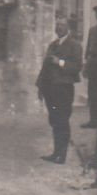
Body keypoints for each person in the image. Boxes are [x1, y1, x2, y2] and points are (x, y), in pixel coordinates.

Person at [35, 16, 82, 163]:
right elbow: (45, 68)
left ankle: (62, 154)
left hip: (63, 88)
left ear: (68, 28)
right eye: (57, 25)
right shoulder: (53, 45)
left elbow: (76, 67)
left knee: (62, 120)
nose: (58, 28)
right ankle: (56, 153)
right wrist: (40, 87)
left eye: (62, 25)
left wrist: (60, 62)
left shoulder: (74, 45)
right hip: (50, 89)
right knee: (54, 120)